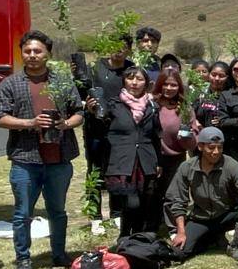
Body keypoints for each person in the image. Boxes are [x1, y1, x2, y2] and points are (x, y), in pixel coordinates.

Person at [0, 30, 84, 269]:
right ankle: (23, 259)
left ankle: (59, 253)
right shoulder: (10, 84)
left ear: (48, 54)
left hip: (59, 158)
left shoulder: (62, 81)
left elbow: (79, 112)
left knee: (58, 211)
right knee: (23, 214)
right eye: (27, 51)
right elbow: (0, 117)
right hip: (26, 158)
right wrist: (30, 122)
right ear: (22, 53)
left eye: (38, 51)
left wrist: (66, 124)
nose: (32, 55)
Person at [92, 67, 162, 238]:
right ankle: (124, 235)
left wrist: (158, 161)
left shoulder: (152, 106)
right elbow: (98, 129)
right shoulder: (113, 105)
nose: (135, 83)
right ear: (124, 81)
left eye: (139, 79)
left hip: (145, 160)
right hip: (123, 161)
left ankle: (136, 239)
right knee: (131, 204)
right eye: (130, 78)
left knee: (144, 202)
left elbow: (156, 135)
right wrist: (92, 111)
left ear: (146, 83)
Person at [164, 126, 238, 262]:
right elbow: (178, 201)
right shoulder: (187, 168)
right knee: (180, 253)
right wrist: (181, 232)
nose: (216, 152)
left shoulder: (231, 165)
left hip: (227, 214)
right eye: (211, 148)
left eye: (220, 147)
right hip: (201, 218)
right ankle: (213, 238)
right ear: (200, 146)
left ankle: (234, 246)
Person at [80, 34, 133, 222]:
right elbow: (81, 92)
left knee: (118, 170)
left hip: (121, 129)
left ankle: (117, 213)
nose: (118, 49)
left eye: (123, 46)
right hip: (95, 129)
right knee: (94, 169)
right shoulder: (94, 68)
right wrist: (88, 104)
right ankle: (95, 216)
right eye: (114, 44)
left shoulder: (131, 69)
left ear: (128, 49)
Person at [152, 69, 197, 231]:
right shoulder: (152, 104)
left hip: (176, 158)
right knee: (153, 192)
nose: (169, 88)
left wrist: (186, 136)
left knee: (174, 193)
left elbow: (193, 142)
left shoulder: (184, 107)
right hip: (153, 156)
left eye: (173, 85)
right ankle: (152, 225)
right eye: (166, 84)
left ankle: (173, 227)